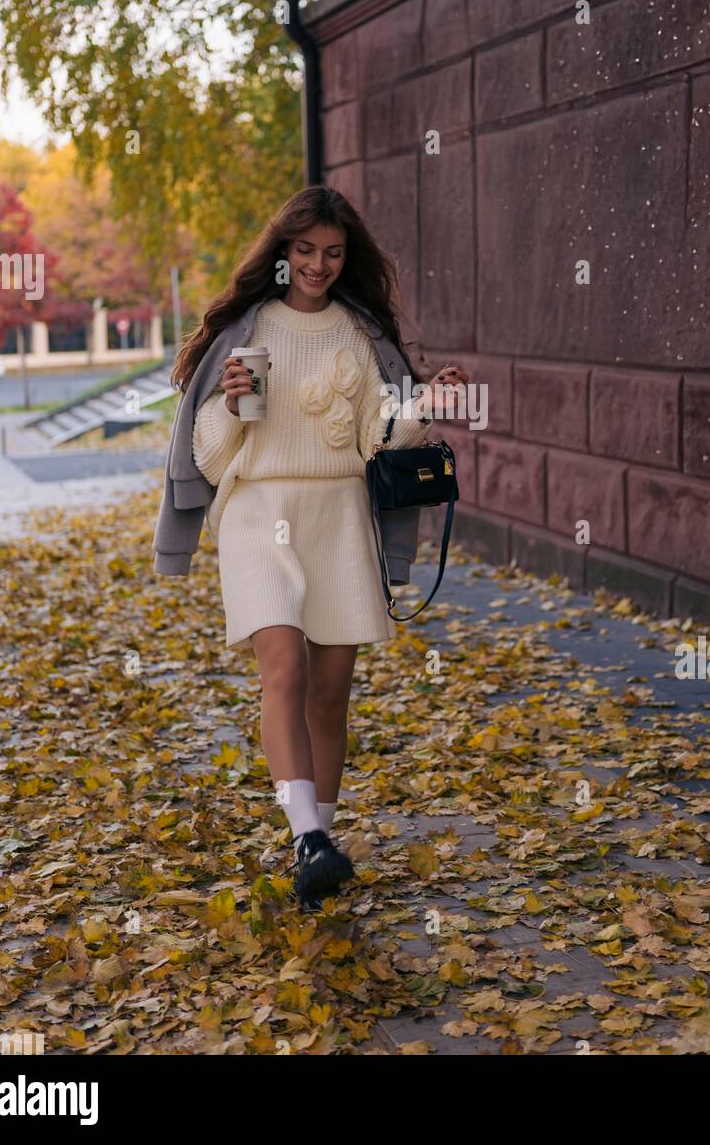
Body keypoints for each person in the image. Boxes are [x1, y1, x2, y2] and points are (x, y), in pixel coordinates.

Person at [169, 186, 468, 908]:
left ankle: (318, 852)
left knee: (331, 695)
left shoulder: (359, 334)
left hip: (338, 516)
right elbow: (208, 458)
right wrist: (236, 405)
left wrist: (425, 405)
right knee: (284, 667)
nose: (318, 265)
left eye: (332, 253)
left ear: (346, 257)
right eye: (304, 251)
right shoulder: (246, 330)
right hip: (258, 511)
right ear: (282, 252)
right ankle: (306, 834)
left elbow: (377, 436)